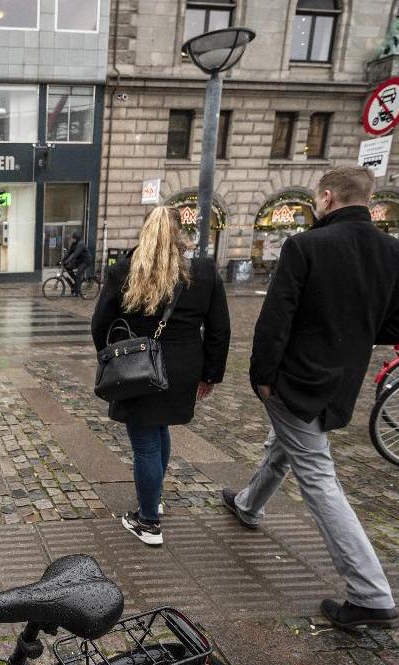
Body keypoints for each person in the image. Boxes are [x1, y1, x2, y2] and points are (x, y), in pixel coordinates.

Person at [220, 166, 399, 629]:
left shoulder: (306, 245)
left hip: (294, 379)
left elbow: (276, 319)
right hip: (340, 381)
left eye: (318, 198)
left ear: (328, 197)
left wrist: (262, 377)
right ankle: (249, 504)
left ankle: (370, 593)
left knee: (317, 475)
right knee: (287, 444)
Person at [92, 207, 230, 546]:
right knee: (159, 429)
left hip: (138, 367)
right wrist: (210, 374)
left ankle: (149, 520)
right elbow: (219, 330)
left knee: (145, 444)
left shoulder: (124, 271)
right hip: (184, 368)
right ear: (179, 234)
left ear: (145, 232)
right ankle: (153, 498)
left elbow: (100, 323)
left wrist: (109, 355)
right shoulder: (203, 272)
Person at [62, 231, 91, 296]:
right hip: (78, 260)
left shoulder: (81, 244)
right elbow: (69, 253)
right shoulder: (73, 243)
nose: (72, 239)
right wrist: (62, 260)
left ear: (77, 238)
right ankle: (77, 282)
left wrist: (68, 261)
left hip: (85, 261)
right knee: (67, 267)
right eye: (73, 238)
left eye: (74, 238)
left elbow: (75, 254)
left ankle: (77, 291)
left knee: (78, 274)